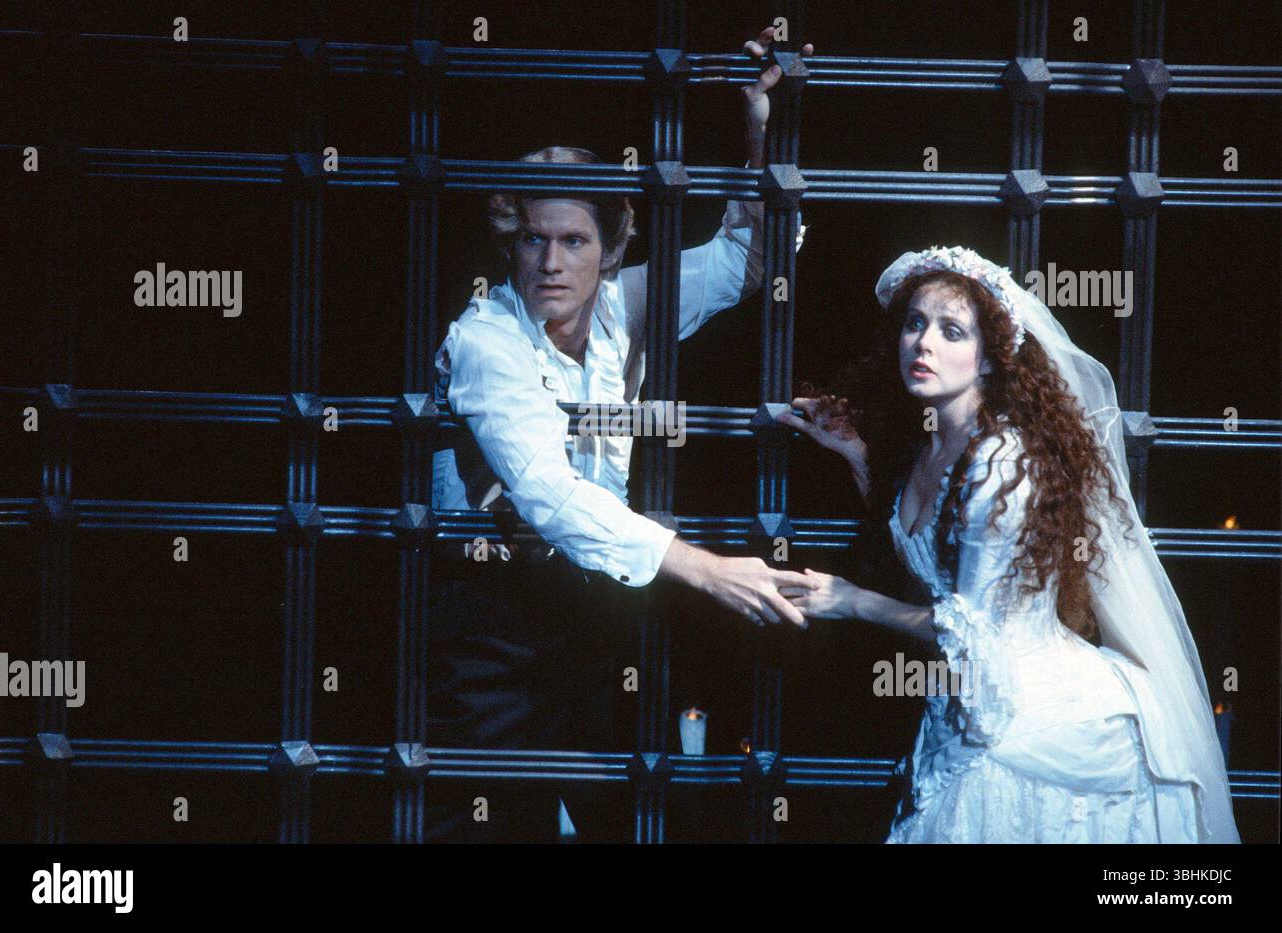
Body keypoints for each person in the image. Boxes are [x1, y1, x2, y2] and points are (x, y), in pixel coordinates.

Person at [427, 27, 814, 842]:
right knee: (487, 823)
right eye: (534, 239)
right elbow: (547, 491)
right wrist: (704, 568)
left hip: (599, 609)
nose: (551, 262)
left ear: (608, 251)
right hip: (492, 623)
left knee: (621, 810)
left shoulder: (625, 303)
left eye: (574, 241)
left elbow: (750, 259)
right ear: (511, 243)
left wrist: (758, 129)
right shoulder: (486, 338)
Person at [777, 245, 1241, 843]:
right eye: (915, 323)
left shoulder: (1002, 465)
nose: (923, 344)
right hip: (971, 704)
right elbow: (931, 552)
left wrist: (851, 600)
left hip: (1032, 721)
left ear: (990, 358)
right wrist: (856, 454)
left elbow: (976, 634)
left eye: (951, 331)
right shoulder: (934, 444)